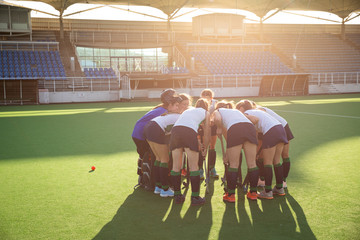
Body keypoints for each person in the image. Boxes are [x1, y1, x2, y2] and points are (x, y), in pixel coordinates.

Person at [236, 100, 288, 199]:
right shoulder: (256, 111)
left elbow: (253, 134)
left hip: (271, 131)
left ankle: (268, 191)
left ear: (241, 109)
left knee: (267, 162)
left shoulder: (246, 115)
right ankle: (279, 188)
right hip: (280, 129)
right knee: (276, 161)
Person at [143, 93, 192, 197]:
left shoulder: (171, 114)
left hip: (149, 127)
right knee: (165, 159)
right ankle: (165, 189)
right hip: (155, 129)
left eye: (186, 105)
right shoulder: (180, 116)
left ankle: (158, 186)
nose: (185, 107)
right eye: (183, 104)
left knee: (158, 159)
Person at [213, 100, 259, 202]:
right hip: (249, 128)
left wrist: (219, 128)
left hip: (235, 129)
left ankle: (231, 195)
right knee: (252, 164)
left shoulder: (218, 110)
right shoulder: (236, 111)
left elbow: (217, 118)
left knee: (233, 165)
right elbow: (254, 120)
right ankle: (253, 193)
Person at [132, 89, 179, 183]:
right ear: (169, 101)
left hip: (136, 133)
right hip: (141, 134)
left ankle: (142, 177)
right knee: (148, 156)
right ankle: (146, 180)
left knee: (143, 155)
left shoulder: (160, 108)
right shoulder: (163, 111)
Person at [169, 98, 211, 206]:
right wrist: (205, 148)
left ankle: (177, 196)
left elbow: (187, 124)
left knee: (176, 166)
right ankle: (195, 197)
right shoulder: (206, 113)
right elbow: (207, 133)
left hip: (175, 131)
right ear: (207, 106)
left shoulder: (188, 110)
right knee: (194, 166)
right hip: (188, 132)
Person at [251, 101, 294, 188]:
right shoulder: (252, 113)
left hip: (281, 127)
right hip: (267, 129)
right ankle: (262, 179)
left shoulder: (258, 109)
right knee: (261, 156)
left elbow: (264, 119)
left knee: (284, 154)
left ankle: (283, 181)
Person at [200, 89, 219, 179]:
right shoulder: (200, 103)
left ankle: (212, 168)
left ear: (211, 98)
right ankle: (200, 169)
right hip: (203, 126)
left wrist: (212, 121)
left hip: (213, 126)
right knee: (203, 147)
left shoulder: (216, 103)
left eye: (207, 99)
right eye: (204, 98)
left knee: (212, 146)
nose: (205, 101)